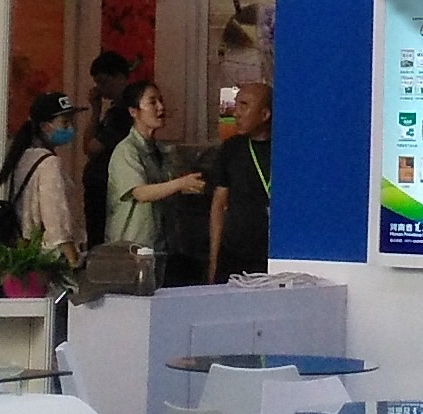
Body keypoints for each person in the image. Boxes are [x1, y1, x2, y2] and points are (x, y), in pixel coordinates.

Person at [103, 77, 208, 259]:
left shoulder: (160, 150)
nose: (161, 107)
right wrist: (180, 183)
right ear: (133, 112)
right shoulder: (126, 151)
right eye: (152, 102)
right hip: (132, 250)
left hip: (161, 246)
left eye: (161, 101)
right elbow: (140, 193)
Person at [0, 91, 83, 255]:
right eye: (65, 122)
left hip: (25, 251)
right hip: (49, 256)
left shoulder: (22, 157)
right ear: (45, 126)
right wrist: (72, 258)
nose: (70, 128)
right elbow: (55, 222)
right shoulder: (49, 163)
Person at [202, 81, 275, 284]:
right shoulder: (231, 148)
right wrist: (214, 260)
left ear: (265, 114)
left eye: (244, 106)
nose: (236, 114)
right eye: (236, 105)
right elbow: (218, 205)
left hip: (271, 255)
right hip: (234, 254)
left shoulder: (286, 148)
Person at [78, 48, 136, 242]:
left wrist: (95, 111)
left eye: (103, 82)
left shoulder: (122, 114)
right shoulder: (114, 110)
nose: (100, 89)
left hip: (106, 183)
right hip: (100, 183)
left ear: (119, 78)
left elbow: (90, 148)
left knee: (99, 237)